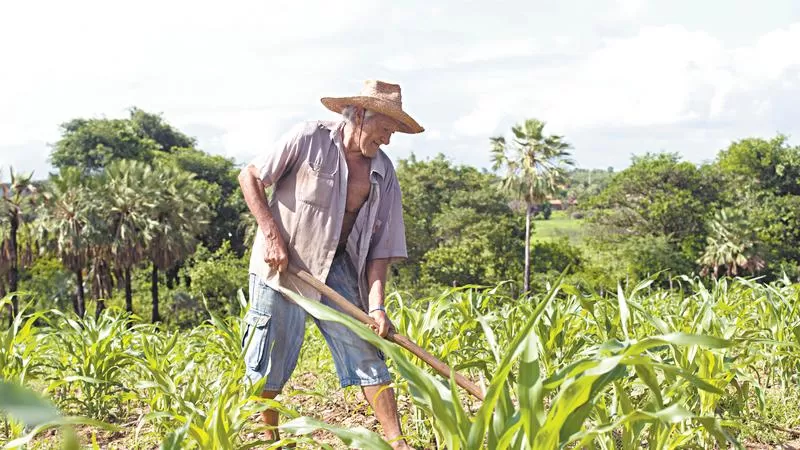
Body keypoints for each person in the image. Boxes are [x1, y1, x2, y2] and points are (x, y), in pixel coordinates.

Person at [237, 80, 423, 449]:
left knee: (367, 348)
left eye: (393, 132)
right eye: (385, 129)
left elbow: (381, 249)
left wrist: (377, 306)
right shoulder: (308, 138)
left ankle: (397, 443)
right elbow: (251, 177)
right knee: (270, 362)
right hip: (283, 267)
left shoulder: (383, 173)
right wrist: (272, 237)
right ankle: (271, 440)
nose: (388, 140)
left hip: (336, 267)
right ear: (360, 115)